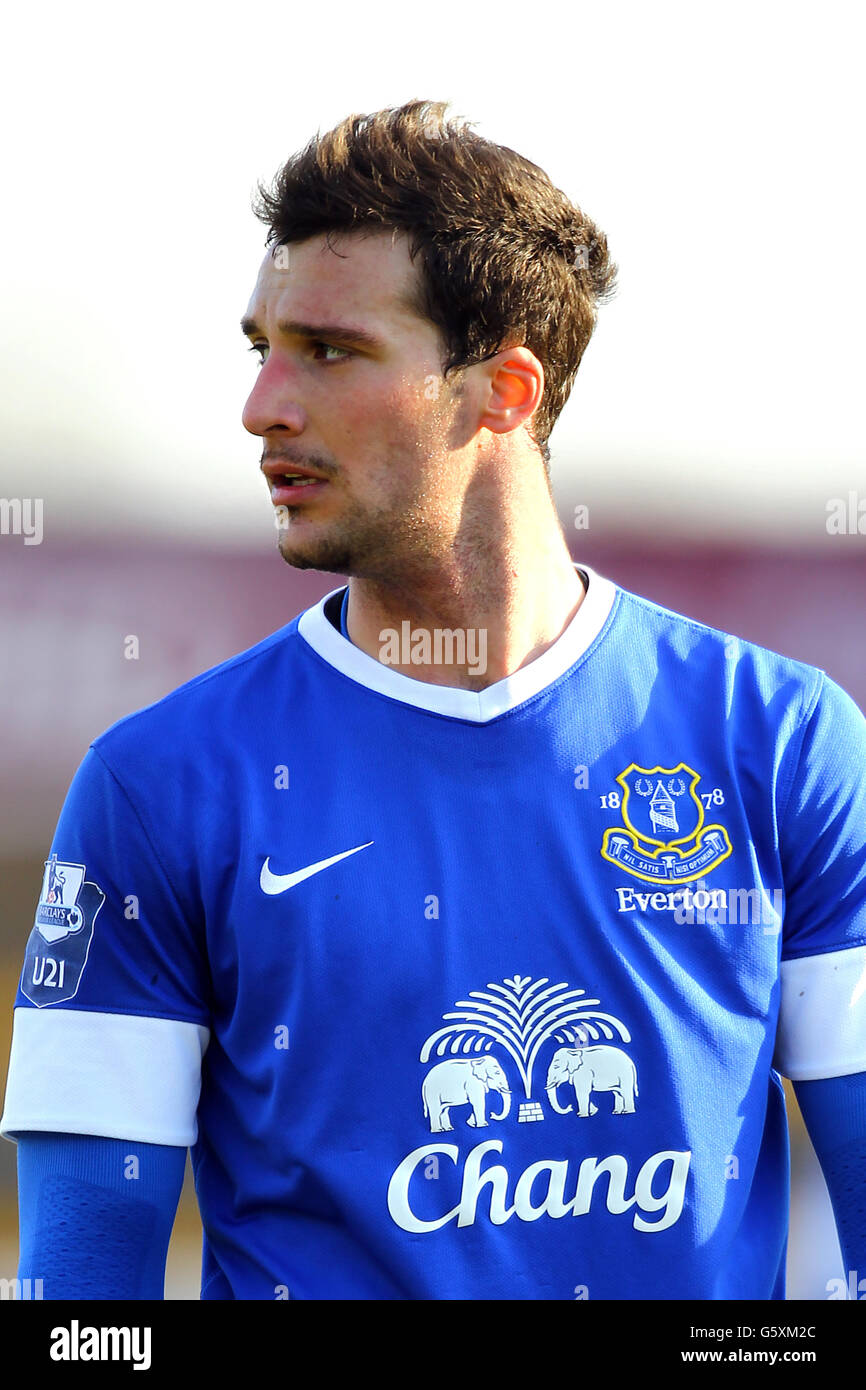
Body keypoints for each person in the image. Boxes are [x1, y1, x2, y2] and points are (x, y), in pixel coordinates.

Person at [3, 99, 865, 1301]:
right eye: (260, 346)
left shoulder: (781, 743)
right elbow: (82, 1307)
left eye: (331, 350)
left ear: (501, 391)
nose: (262, 407)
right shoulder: (158, 784)